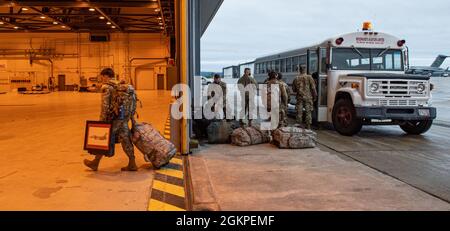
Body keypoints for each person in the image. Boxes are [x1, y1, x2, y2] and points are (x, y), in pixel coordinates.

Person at [84, 68, 138, 171]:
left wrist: (102, 122)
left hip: (114, 119)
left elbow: (105, 106)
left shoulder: (107, 87)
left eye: (102, 76)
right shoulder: (120, 84)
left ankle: (95, 163)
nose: (102, 79)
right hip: (123, 117)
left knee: (104, 138)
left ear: (105, 76)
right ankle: (132, 162)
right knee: (125, 139)